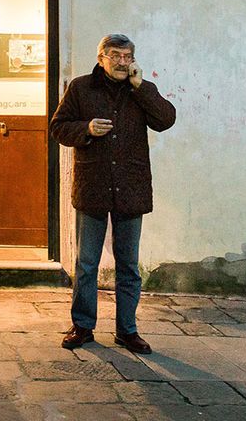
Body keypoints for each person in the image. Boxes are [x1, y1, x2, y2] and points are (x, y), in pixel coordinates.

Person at [49, 34, 176, 355]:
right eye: (116, 56)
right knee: (87, 263)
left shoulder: (140, 91)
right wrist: (87, 130)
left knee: (128, 265)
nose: (123, 62)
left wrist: (141, 87)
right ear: (101, 57)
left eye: (128, 56)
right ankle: (82, 326)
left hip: (130, 188)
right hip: (92, 186)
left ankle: (127, 330)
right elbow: (58, 127)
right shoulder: (80, 88)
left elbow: (165, 119)